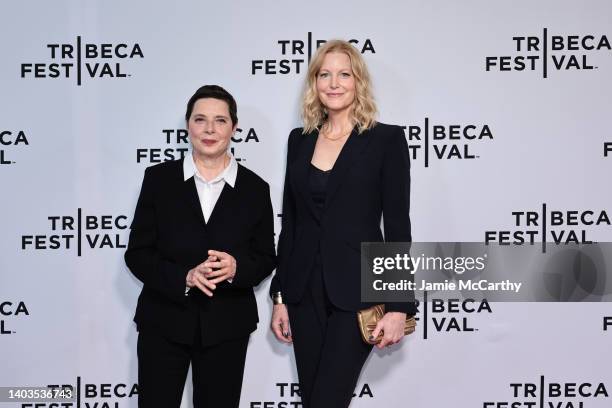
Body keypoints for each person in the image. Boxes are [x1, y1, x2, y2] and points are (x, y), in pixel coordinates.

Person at [269, 40, 417, 408]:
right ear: (314, 83)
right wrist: (281, 295)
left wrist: (399, 305)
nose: (334, 83)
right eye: (324, 74)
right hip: (303, 293)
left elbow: (397, 227)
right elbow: (292, 224)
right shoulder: (299, 141)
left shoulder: (385, 140)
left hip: (357, 294)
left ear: (358, 82)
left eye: (344, 74)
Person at [125, 85, 276, 408]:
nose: (210, 129)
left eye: (220, 121)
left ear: (234, 128)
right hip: (163, 323)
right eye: (200, 119)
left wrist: (237, 268)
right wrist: (185, 276)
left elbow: (265, 258)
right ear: (187, 125)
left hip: (227, 327)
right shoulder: (158, 180)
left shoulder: (255, 189)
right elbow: (137, 253)